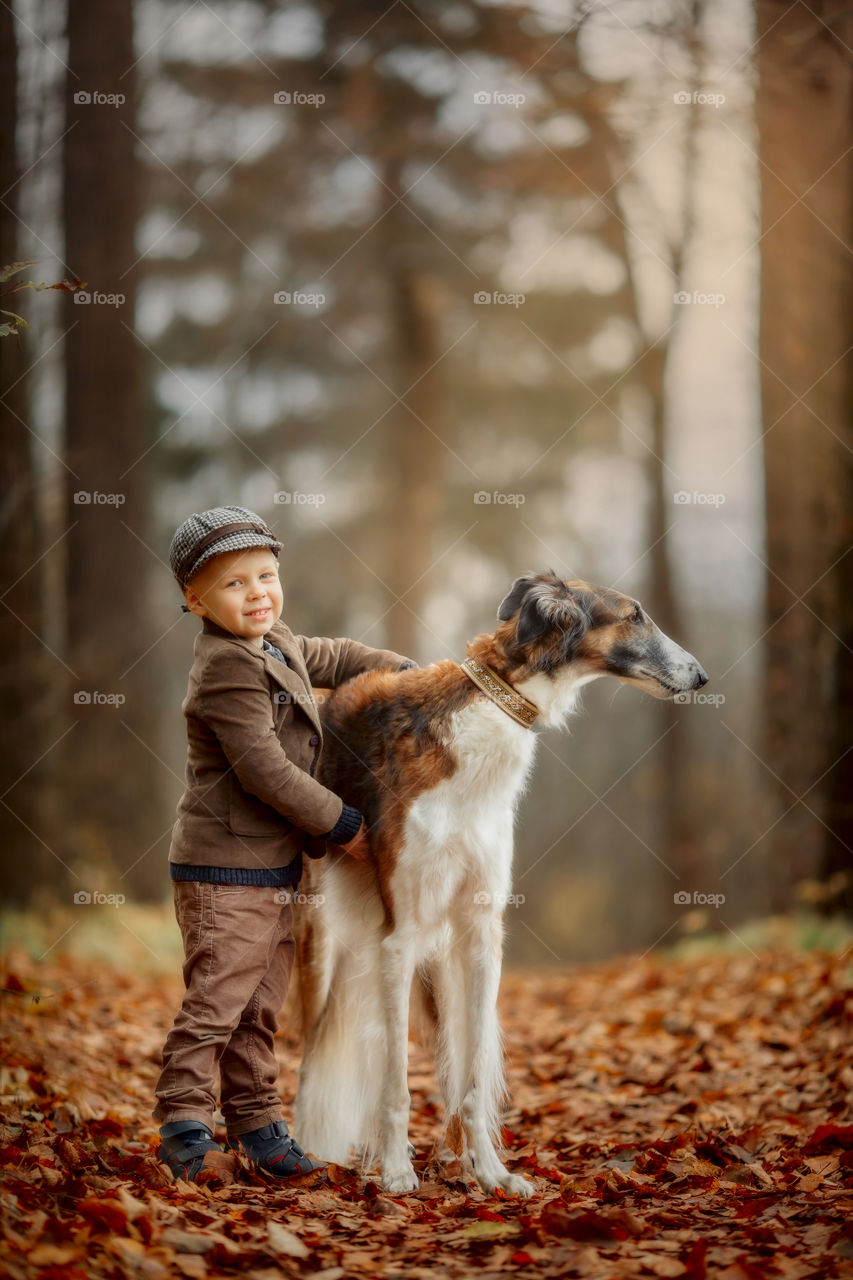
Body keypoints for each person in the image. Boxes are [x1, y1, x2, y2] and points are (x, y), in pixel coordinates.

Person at [152, 505, 416, 1182]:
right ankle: (184, 1124)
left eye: (265, 575)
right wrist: (344, 825)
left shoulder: (279, 644)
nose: (257, 593)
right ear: (195, 599)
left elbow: (337, 656)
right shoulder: (224, 669)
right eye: (234, 584)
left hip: (272, 870)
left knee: (258, 1008)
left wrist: (407, 674)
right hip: (224, 868)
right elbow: (263, 769)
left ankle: (260, 1127)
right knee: (217, 1001)